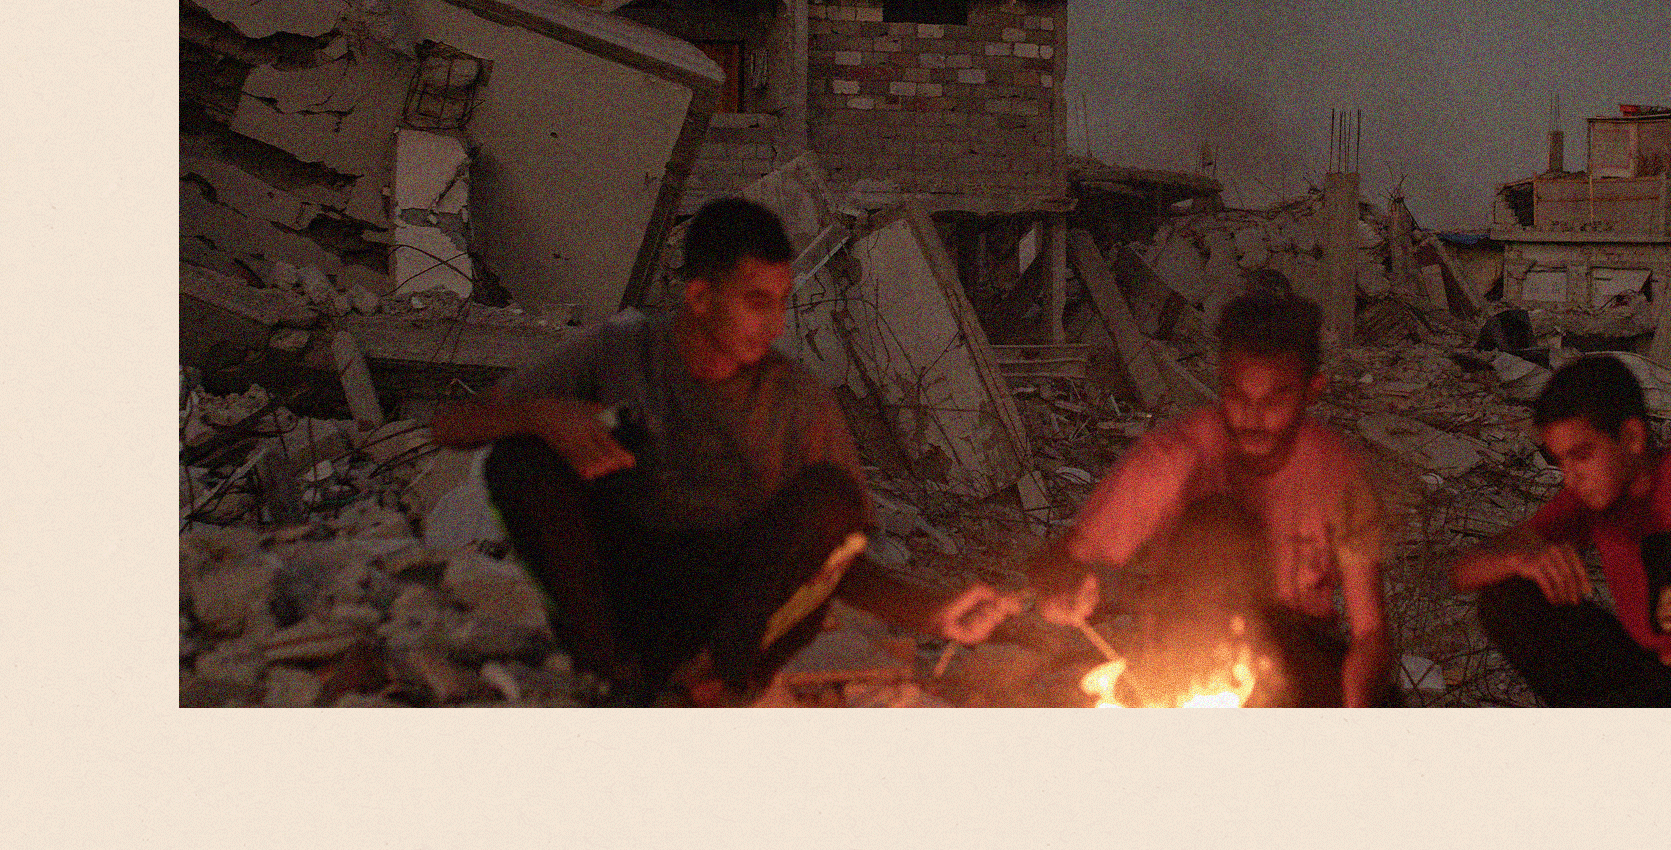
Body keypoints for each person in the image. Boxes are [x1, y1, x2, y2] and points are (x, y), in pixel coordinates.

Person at [432, 197, 1018, 704]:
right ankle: (616, 677)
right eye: (756, 301)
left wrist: (929, 612)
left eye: (782, 302)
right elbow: (452, 425)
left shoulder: (798, 401)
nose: (775, 324)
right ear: (699, 297)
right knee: (520, 460)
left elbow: (838, 558)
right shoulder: (623, 350)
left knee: (832, 499)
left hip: (734, 609)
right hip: (630, 590)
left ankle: (715, 680)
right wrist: (542, 413)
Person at [1026, 291, 1397, 707]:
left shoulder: (1338, 475)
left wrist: (1357, 707)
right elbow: (1069, 559)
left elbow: (1369, 632)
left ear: (1312, 390)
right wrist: (1065, 585)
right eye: (1239, 397)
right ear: (1221, 383)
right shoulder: (1174, 458)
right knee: (1218, 526)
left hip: (1290, 656)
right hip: (1184, 647)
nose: (1253, 419)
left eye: (1274, 400)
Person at [1449, 354, 1671, 707]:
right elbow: (1461, 572)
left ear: (1632, 437)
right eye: (1561, 462)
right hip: (1646, 666)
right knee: (1508, 597)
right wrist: (1519, 561)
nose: (1570, 477)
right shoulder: (1593, 493)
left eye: (1582, 456)